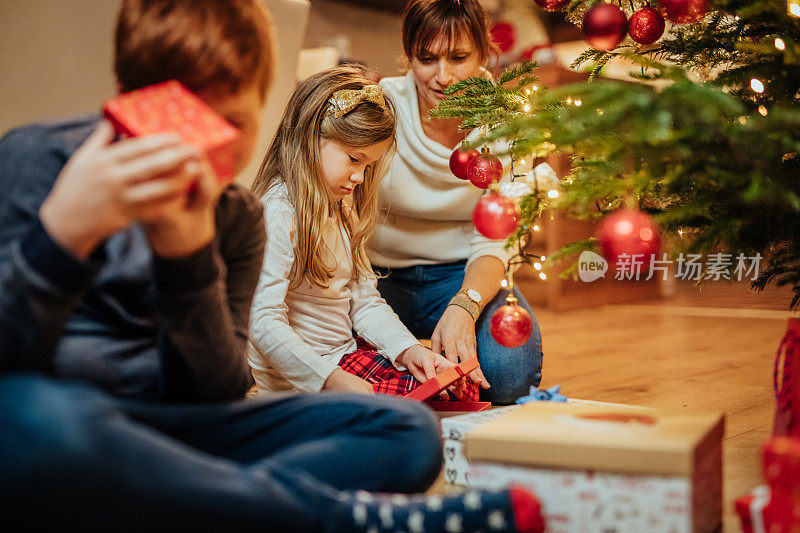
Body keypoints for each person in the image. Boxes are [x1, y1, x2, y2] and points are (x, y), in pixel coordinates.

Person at [0, 2, 545, 531]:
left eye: (233, 125)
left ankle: (175, 499)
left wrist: (186, 258)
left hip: (191, 430)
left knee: (406, 432)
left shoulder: (237, 216)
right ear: (131, 95)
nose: (204, 150)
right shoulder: (33, 162)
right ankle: (327, 516)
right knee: (28, 420)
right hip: (74, 420)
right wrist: (61, 237)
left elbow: (212, 393)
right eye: (188, 116)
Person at [248, 65, 476, 401]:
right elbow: (263, 321)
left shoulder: (341, 201)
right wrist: (329, 379)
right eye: (354, 159)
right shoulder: (279, 211)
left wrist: (411, 351)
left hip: (343, 357)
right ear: (311, 139)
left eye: (367, 166)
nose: (359, 177)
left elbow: (364, 301)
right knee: (407, 414)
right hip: (303, 380)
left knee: (454, 388)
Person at [369, 0, 544, 405]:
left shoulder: (509, 123)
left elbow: (498, 238)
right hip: (375, 279)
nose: (443, 77)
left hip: (463, 275)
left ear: (484, 53)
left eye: (459, 57)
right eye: (426, 59)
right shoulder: (381, 108)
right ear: (409, 55)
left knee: (509, 374)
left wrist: (465, 306)